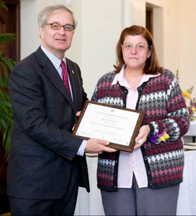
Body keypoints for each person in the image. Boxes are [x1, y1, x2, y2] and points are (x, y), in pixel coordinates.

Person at [7, 4, 116, 216]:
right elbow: (34, 124)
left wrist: (100, 118)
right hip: (34, 183)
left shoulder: (72, 68)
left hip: (66, 178)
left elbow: (82, 105)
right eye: (55, 25)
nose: (62, 32)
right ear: (41, 29)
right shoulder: (26, 70)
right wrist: (83, 145)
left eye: (68, 27)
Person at [91, 25, 190, 216]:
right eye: (128, 45)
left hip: (160, 174)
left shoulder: (165, 80)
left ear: (150, 51)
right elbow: (95, 121)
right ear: (121, 50)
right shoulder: (105, 83)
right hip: (115, 177)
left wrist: (151, 129)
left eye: (140, 46)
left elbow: (182, 120)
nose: (133, 51)